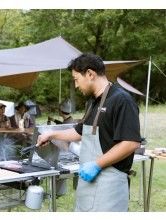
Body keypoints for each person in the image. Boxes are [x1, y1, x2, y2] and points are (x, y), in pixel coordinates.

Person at [37, 53, 141, 211]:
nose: (76, 85)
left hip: (110, 187)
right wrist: (51, 134)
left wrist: (97, 164)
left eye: (76, 79)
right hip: (88, 187)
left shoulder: (121, 100)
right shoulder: (92, 103)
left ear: (90, 74)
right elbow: (79, 132)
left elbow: (130, 142)